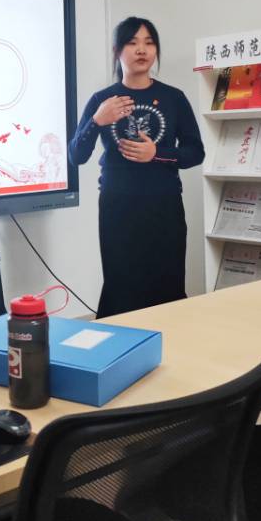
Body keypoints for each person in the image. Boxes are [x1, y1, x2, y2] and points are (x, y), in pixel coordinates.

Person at [69, 17, 205, 318]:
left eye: (149, 42)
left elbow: (195, 153)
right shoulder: (102, 100)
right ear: (117, 51)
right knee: (121, 285)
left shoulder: (173, 98)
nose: (142, 50)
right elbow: (76, 155)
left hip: (164, 205)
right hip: (118, 207)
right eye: (132, 43)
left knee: (167, 284)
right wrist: (97, 120)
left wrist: (156, 153)